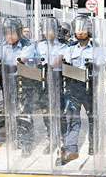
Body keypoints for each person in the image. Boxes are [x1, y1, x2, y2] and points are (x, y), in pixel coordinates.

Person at [0, 17, 37, 158]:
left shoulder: (28, 45)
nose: (9, 36)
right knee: (11, 111)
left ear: (18, 33)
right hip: (8, 82)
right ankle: (17, 139)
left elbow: (21, 61)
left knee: (24, 112)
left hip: (24, 82)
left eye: (12, 33)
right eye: (6, 33)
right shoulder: (3, 46)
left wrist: (7, 65)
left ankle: (27, 143)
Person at [59, 15, 94, 165]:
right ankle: (71, 149)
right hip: (73, 87)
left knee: (93, 118)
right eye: (78, 29)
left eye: (83, 28)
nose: (80, 32)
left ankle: (94, 144)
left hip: (90, 87)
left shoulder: (96, 48)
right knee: (72, 119)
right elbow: (63, 65)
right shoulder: (69, 48)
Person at [36, 17, 67, 154]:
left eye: (49, 29)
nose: (46, 32)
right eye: (44, 30)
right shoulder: (38, 46)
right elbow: (35, 61)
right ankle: (51, 140)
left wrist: (48, 66)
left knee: (59, 111)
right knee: (46, 111)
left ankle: (64, 139)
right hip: (42, 80)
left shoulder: (63, 46)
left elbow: (57, 60)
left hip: (57, 79)